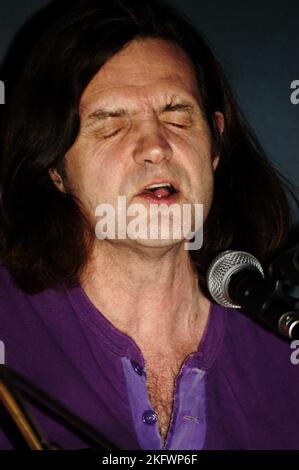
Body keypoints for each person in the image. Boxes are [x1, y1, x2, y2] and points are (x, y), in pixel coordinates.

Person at [0, 0, 298, 450]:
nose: (156, 147)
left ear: (215, 146)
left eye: (178, 117)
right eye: (111, 126)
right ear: (56, 168)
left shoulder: (282, 343)